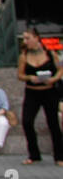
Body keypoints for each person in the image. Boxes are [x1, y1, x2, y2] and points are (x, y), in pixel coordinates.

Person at [17, 27, 62, 166]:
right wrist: (30, 77)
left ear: (36, 38)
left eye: (28, 38)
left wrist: (53, 79)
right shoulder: (23, 56)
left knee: (53, 123)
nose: (26, 41)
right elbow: (20, 75)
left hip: (49, 91)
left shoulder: (50, 53)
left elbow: (60, 70)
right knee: (27, 121)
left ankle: (59, 156)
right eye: (24, 38)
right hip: (32, 92)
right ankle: (34, 154)